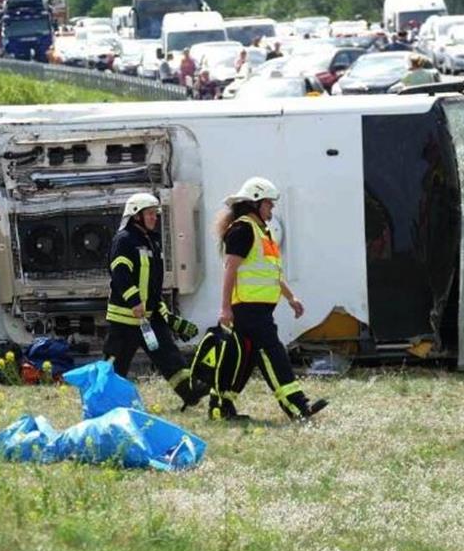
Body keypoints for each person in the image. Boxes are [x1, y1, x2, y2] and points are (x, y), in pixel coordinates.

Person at [215, 177, 328, 421]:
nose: (272, 209)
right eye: (269, 204)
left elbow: (271, 273)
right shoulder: (242, 230)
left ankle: (220, 407)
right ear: (255, 203)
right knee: (273, 352)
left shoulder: (261, 233)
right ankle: (298, 407)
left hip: (259, 309)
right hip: (247, 308)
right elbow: (230, 270)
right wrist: (225, 308)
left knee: (243, 361)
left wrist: (291, 298)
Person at [103, 193, 208, 411]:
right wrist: (134, 301)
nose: (154, 218)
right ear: (136, 216)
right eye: (149, 214)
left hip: (147, 318)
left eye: (155, 214)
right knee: (115, 366)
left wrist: (168, 317)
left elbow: (151, 287)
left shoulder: (151, 241)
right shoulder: (124, 240)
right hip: (125, 319)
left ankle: (190, 391)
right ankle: (104, 403)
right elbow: (120, 273)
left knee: (169, 355)